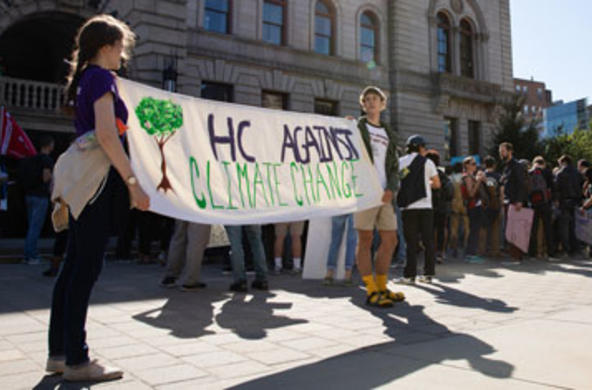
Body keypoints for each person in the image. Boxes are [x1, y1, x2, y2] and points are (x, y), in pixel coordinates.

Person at [47, 15, 150, 382]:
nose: (123, 55)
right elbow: (108, 135)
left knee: (73, 266)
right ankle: (78, 360)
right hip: (96, 181)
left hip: (79, 182)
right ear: (106, 47)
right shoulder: (102, 78)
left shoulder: (85, 79)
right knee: (85, 268)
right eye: (120, 47)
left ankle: (59, 354)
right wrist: (134, 182)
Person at [353, 86, 405, 308]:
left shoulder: (388, 133)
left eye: (376, 99)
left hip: (385, 195)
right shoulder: (356, 127)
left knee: (390, 240)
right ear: (363, 104)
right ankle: (371, 288)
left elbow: (394, 167)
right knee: (365, 240)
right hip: (365, 192)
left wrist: (391, 188)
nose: (372, 102)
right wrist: (346, 128)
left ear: (383, 104)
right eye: (368, 99)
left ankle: (382, 284)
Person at [397, 135, 441, 284]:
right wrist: (427, 183)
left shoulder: (401, 162)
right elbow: (437, 184)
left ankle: (409, 275)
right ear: (421, 147)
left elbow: (398, 181)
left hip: (409, 207)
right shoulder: (428, 162)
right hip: (426, 206)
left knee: (411, 242)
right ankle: (428, 274)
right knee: (428, 241)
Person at [21, 135, 54, 264]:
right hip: (40, 196)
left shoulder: (31, 159)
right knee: (35, 227)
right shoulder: (47, 160)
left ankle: (28, 254)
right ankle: (31, 255)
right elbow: (46, 177)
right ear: (49, 145)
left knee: (31, 226)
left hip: (29, 195)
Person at [160, 220, 210, 290]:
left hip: (182, 210)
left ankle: (171, 275)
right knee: (196, 241)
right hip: (200, 212)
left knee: (179, 237)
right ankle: (190, 280)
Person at [499, 142, 527, 260]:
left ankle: (517, 256)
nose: (501, 153)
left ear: (510, 151)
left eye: (503, 151)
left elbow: (521, 184)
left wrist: (519, 200)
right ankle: (513, 255)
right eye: (500, 151)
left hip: (515, 201)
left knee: (516, 229)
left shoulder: (516, 165)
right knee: (511, 229)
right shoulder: (507, 166)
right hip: (508, 201)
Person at [425, 150, 452, 264]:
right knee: (441, 230)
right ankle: (440, 252)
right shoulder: (442, 175)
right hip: (442, 207)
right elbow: (450, 192)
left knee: (429, 230)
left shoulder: (426, 174)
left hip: (429, 206)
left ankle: (430, 252)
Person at [225, 225, 269, 292]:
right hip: (252, 214)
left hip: (233, 215)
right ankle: (262, 279)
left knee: (235, 242)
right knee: (256, 241)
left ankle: (240, 281)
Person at [528, 156, 556, 260]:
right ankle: (550, 253)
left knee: (533, 229)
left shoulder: (530, 173)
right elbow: (553, 187)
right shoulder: (547, 172)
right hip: (545, 203)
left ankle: (532, 253)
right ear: (543, 163)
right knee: (548, 228)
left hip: (533, 204)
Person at [555, 154, 582, 257]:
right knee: (574, 226)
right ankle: (575, 249)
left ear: (563, 162)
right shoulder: (577, 173)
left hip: (564, 202)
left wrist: (557, 200)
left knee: (564, 227)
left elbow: (557, 189)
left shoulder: (560, 173)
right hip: (575, 202)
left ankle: (566, 249)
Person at [460, 157, 486, 263]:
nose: (475, 165)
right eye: (473, 163)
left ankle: (471, 253)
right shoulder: (468, 177)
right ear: (467, 165)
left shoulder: (470, 176)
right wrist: (479, 181)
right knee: (474, 230)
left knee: (474, 230)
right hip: (473, 206)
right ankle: (471, 254)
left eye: (475, 163)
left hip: (474, 206)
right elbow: (471, 193)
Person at [478, 156, 503, 258]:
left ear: (484, 164)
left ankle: (481, 251)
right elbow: (501, 192)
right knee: (495, 229)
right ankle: (495, 250)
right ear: (494, 165)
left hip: (484, 204)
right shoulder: (498, 176)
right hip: (495, 204)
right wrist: (501, 203)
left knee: (483, 229)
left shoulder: (481, 176)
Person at [323, 213, 356, 286]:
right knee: (351, 241)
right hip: (355, 205)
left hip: (340, 204)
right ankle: (348, 274)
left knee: (335, 241)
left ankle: (329, 273)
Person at [448, 162, 469, 258]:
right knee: (466, 227)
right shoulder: (464, 178)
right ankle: (465, 247)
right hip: (464, 204)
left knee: (454, 228)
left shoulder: (450, 178)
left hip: (454, 204)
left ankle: (454, 248)